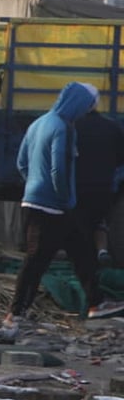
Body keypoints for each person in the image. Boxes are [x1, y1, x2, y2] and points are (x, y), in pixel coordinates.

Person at [0, 82, 103, 342]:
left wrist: (34, 185)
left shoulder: (39, 123)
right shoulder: (63, 128)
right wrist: (63, 198)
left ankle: (97, 302)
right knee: (36, 262)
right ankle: (15, 314)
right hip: (53, 206)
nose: (85, 113)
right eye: (87, 107)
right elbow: (59, 169)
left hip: (34, 200)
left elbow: (21, 162)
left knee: (81, 251)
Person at [74, 105, 124, 316]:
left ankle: (17, 311)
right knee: (98, 224)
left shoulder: (69, 127)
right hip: (103, 188)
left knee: (74, 245)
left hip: (75, 191)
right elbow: (120, 157)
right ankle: (95, 299)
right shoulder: (111, 127)